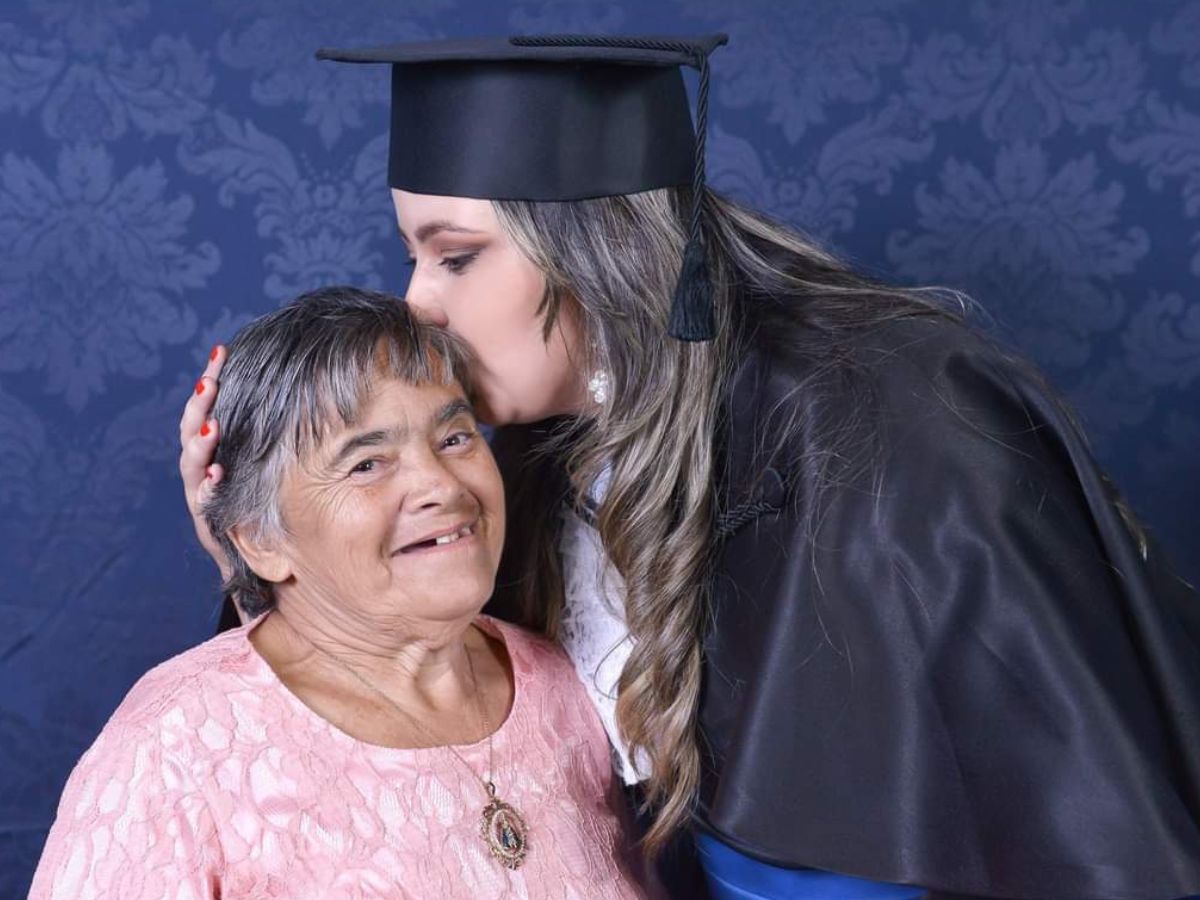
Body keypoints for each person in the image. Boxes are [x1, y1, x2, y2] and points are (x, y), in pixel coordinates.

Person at [179, 36, 1200, 899]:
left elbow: (1086, 818)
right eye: (412, 254)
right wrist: (268, 551)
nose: (418, 304)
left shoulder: (897, 420)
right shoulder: (533, 446)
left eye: (455, 255)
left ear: (589, 247)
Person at [32, 287, 656, 898]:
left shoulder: (565, 689)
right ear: (260, 540)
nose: (440, 484)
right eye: (366, 464)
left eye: (455, 437)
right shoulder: (179, 743)